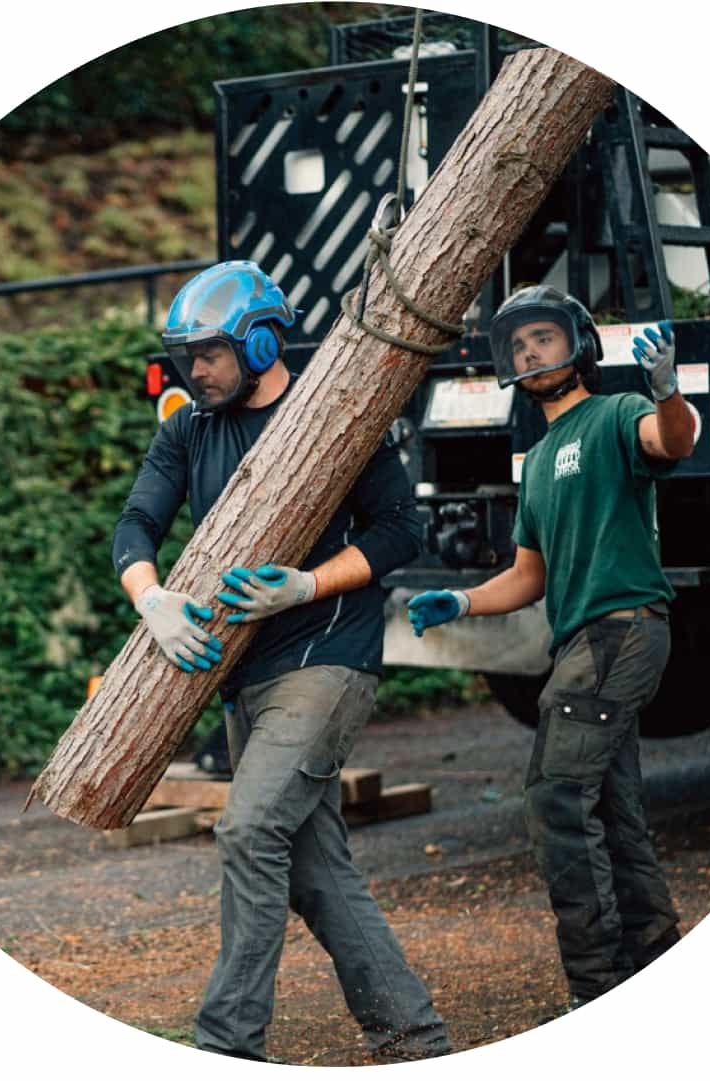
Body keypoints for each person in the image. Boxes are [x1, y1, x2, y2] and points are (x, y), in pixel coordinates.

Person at [112, 260, 451, 1062]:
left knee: (248, 828)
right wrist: (151, 600)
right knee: (313, 870)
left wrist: (305, 583)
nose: (195, 371)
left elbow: (402, 530)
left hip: (326, 659)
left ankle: (226, 1045)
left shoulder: (334, 418)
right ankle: (412, 1033)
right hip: (243, 675)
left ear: (262, 341)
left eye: (210, 355)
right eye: (186, 356)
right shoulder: (186, 427)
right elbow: (134, 523)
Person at [407, 285, 696, 1012]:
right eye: (518, 345)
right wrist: (463, 600)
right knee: (610, 805)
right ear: (507, 364)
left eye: (543, 337)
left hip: (619, 629)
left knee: (554, 799)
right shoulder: (535, 462)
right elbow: (527, 575)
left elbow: (673, 441)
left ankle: (595, 985)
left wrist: (665, 391)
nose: (531, 352)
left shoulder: (615, 414)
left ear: (578, 345)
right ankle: (653, 960)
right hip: (582, 637)